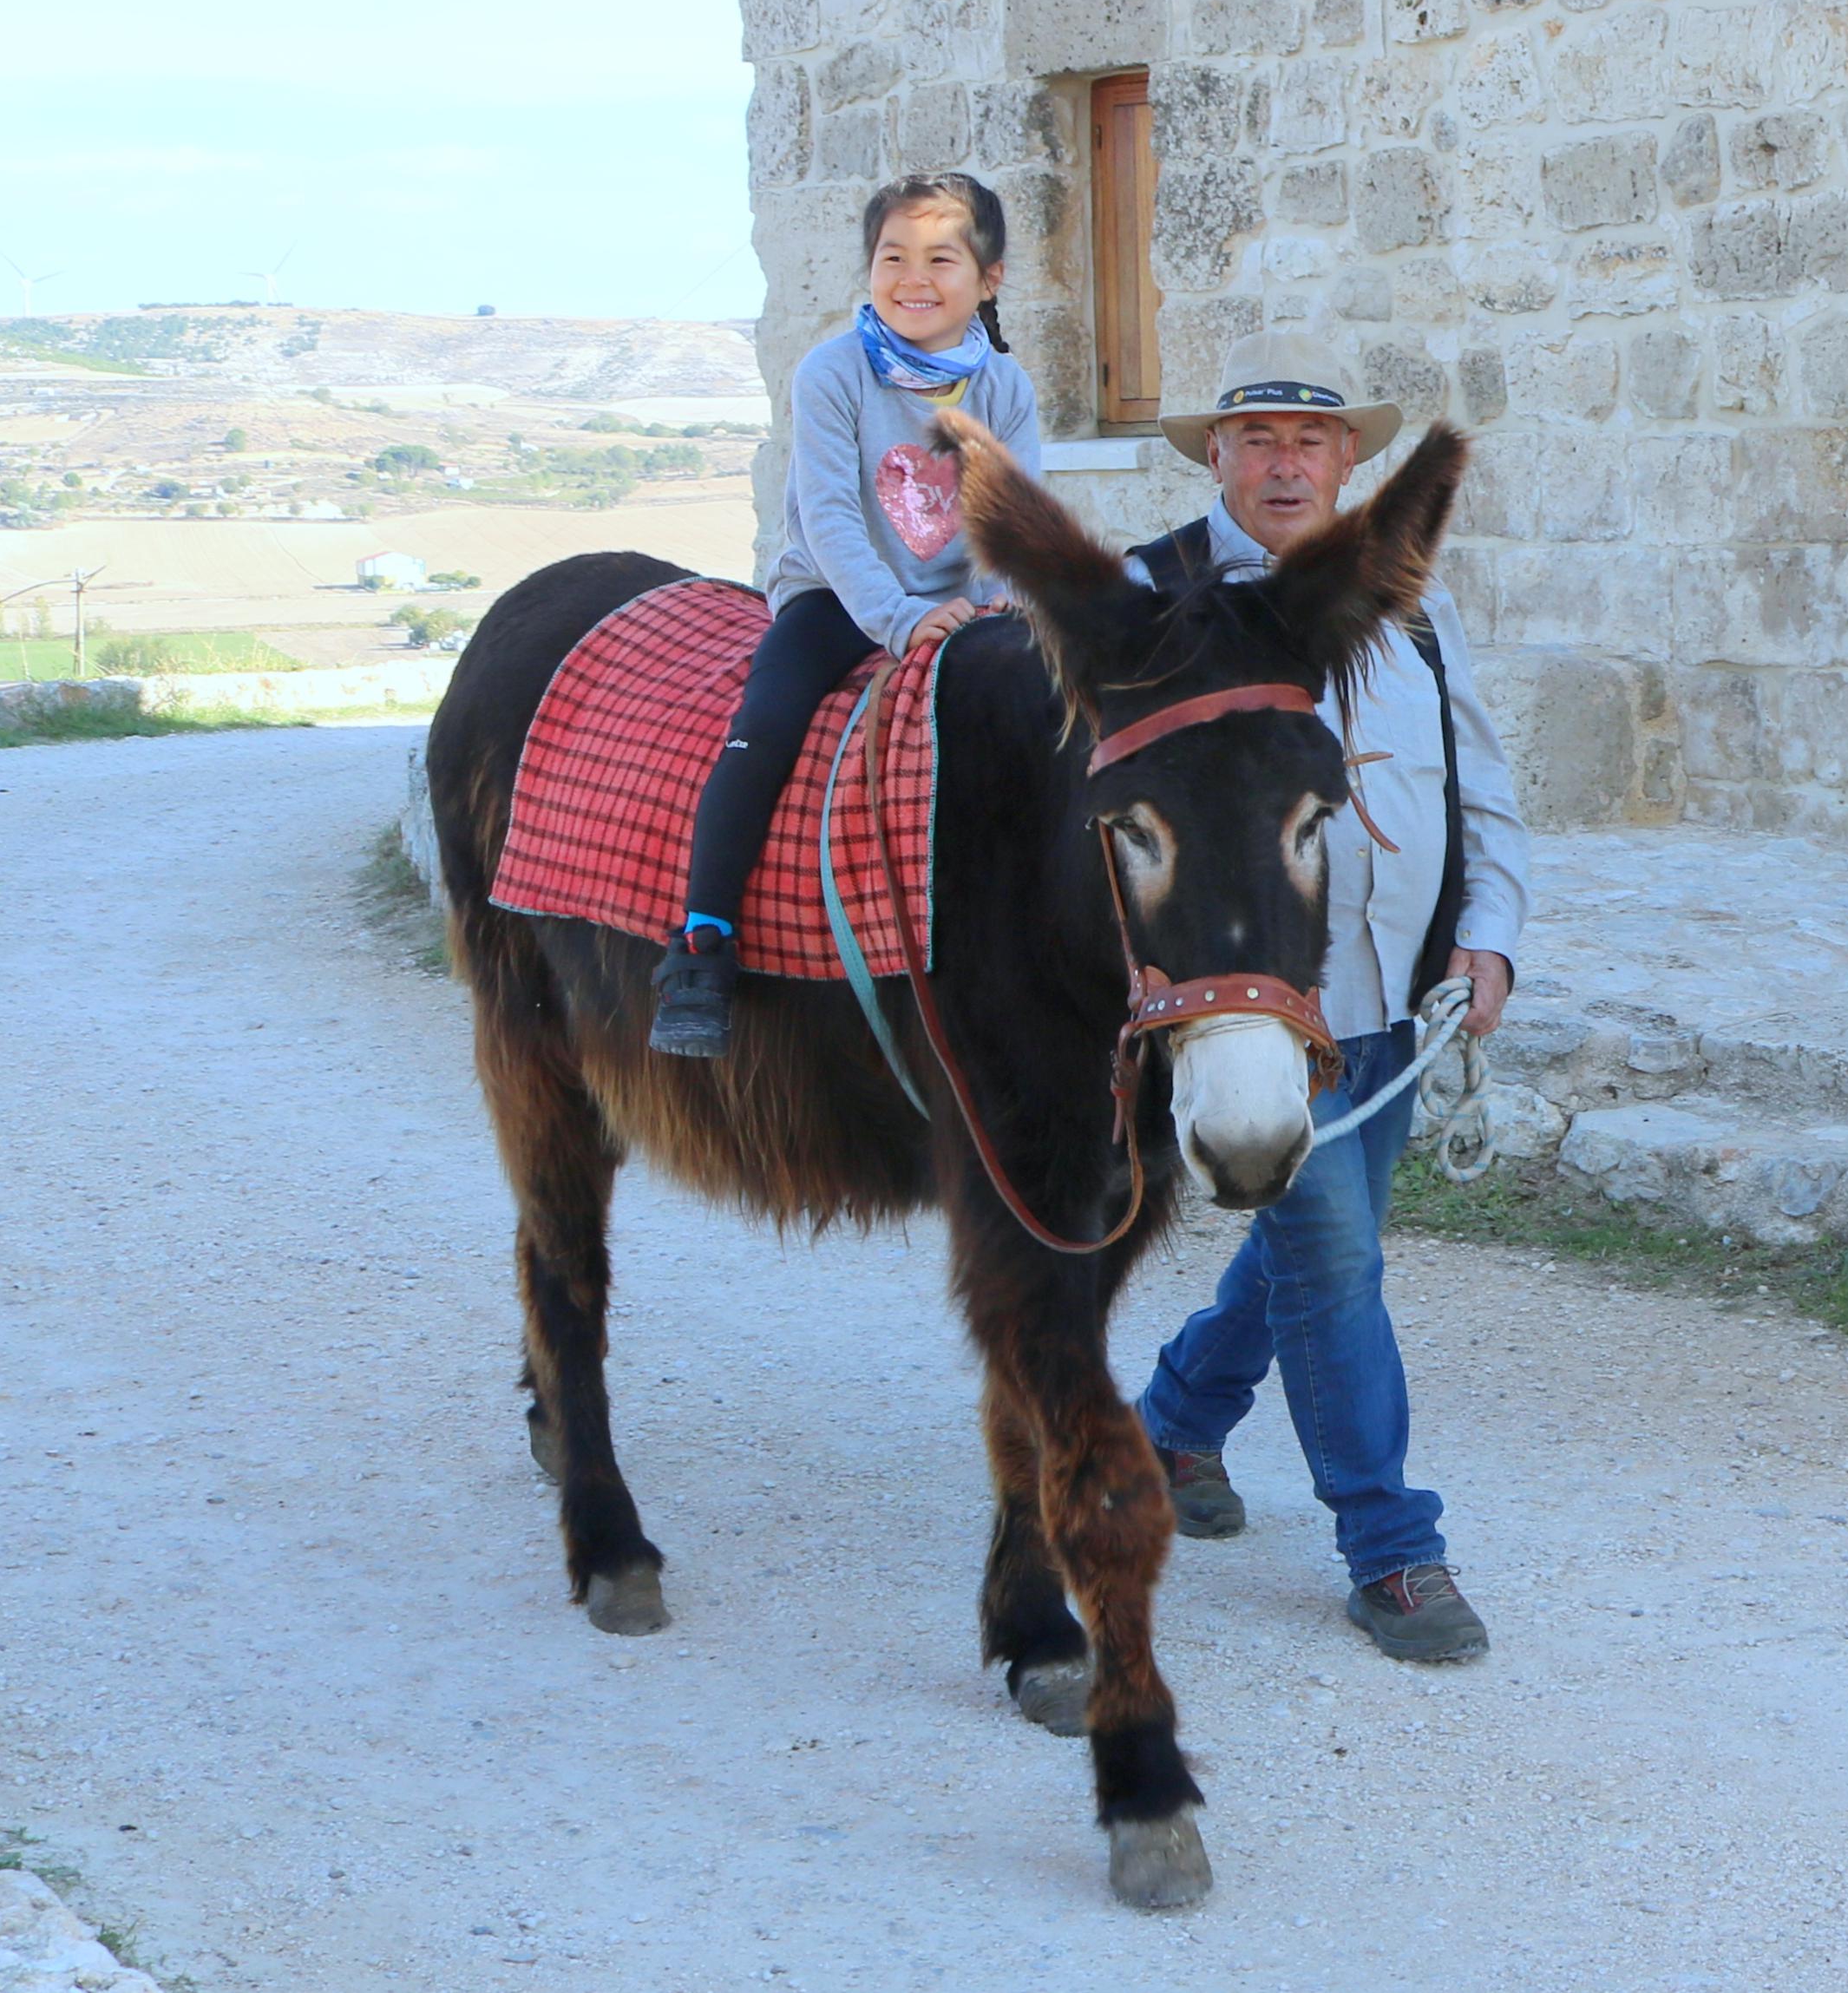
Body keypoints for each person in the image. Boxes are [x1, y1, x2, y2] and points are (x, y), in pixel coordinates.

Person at [1128, 331, 1529, 1665]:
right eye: (1254, 442)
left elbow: (1476, 775)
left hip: (1389, 999)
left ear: (1349, 461)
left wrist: (1489, 931)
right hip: (1249, 1013)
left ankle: (1176, 1425)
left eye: (1309, 442)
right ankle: (1391, 1549)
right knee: (1337, 1259)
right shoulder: (1155, 599)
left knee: (1311, 1245)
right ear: (1216, 460)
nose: (1282, 463)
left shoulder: (1411, 603)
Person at [650, 173, 1044, 1057]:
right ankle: (702, 942)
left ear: (989, 277)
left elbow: (1011, 521)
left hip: (965, 606)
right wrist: (900, 619)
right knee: (766, 723)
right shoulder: (833, 371)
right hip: (837, 598)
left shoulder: (1004, 387)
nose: (914, 276)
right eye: (891, 257)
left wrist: (992, 609)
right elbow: (827, 515)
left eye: (942, 258)